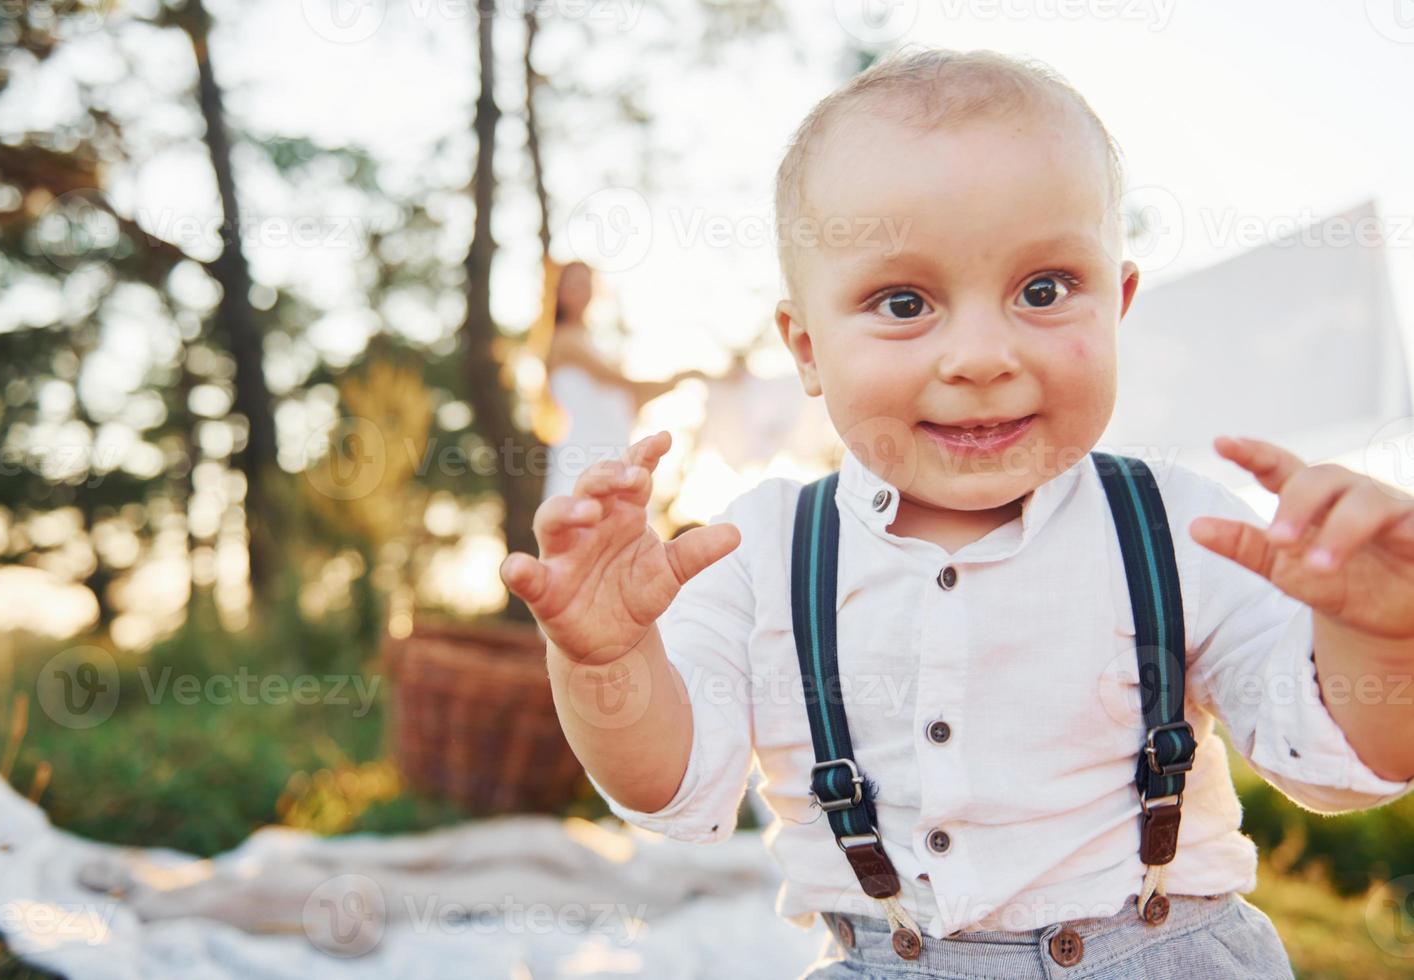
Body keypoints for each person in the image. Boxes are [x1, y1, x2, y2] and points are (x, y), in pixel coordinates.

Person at [499, 48, 1414, 979]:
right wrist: (605, 662)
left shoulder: (1175, 527)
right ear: (808, 350)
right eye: (904, 302)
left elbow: (1336, 762)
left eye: (1044, 290)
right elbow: (674, 790)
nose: (980, 355)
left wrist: (1381, 639)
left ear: (1119, 303)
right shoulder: (757, 548)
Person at [537, 260, 705, 502]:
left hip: (614, 450)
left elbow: (630, 396)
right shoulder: (564, 340)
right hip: (583, 457)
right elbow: (620, 382)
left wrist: (680, 383)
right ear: (558, 290)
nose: (580, 288)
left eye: (586, 282)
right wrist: (680, 378)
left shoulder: (595, 343)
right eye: (573, 283)